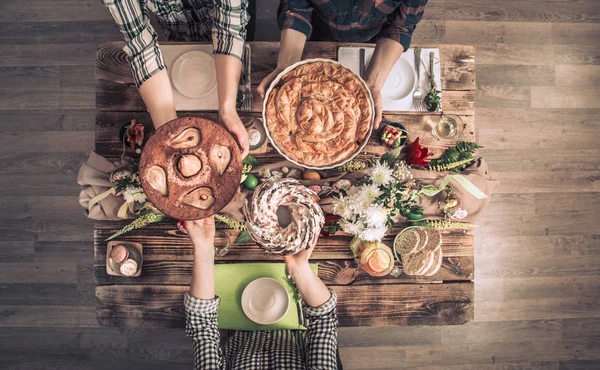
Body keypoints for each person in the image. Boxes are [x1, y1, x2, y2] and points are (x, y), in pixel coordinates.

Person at [183, 217, 341, 369]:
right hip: (293, 320)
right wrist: (300, 269)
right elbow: (323, 318)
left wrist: (203, 249)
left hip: (236, 328)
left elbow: (202, 326)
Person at [102, 0, 250, 157]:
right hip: (175, 28)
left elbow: (230, 28)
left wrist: (228, 110)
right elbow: (141, 46)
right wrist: (170, 131)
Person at [256, 0, 429, 129]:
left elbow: (401, 26)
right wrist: (287, 67)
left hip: (371, 37)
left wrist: (373, 85)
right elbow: (296, 8)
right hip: (314, 31)